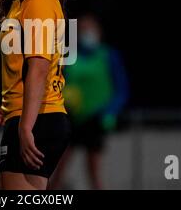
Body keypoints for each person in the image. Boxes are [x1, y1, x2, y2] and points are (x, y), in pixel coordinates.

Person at [0, 0, 71, 190]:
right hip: (30, 115)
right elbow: (19, 65)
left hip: (39, 118)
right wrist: (8, 104)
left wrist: (26, 128)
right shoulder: (17, 1)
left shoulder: (38, 2)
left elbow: (38, 68)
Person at [49, 13, 129, 190]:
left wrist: (110, 112)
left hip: (96, 118)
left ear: (99, 32)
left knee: (94, 168)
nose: (86, 33)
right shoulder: (69, 56)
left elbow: (121, 89)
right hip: (71, 118)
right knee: (59, 165)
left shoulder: (109, 55)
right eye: (82, 29)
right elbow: (57, 83)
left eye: (89, 29)